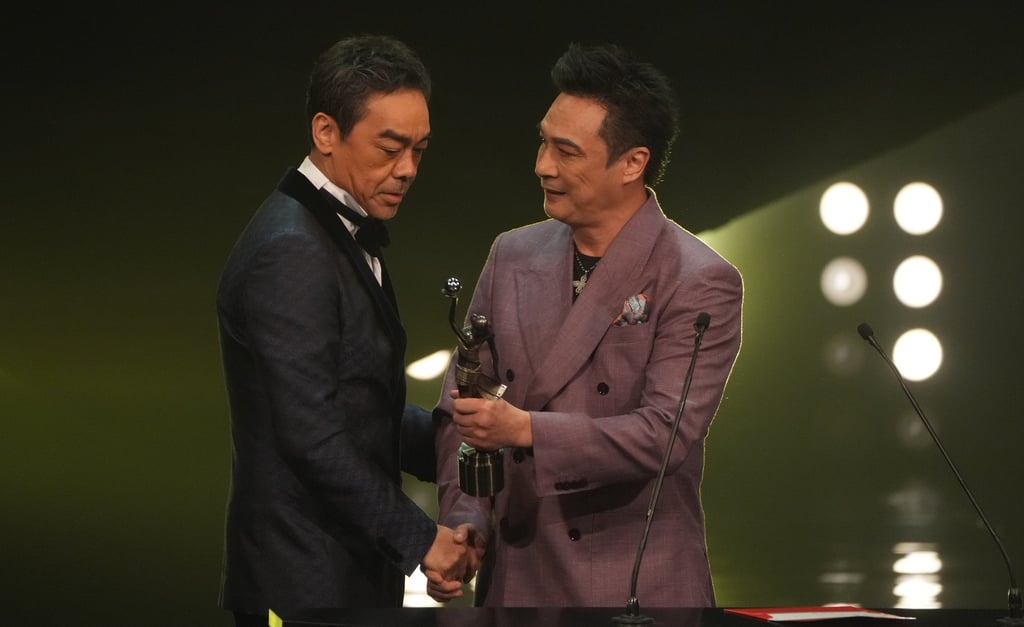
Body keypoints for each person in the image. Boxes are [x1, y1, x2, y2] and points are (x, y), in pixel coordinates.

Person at [426, 43, 743, 607]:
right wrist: (467, 517)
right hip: (519, 579)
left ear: (632, 162)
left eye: (566, 151)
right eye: (543, 141)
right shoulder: (511, 254)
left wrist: (525, 429)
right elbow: (462, 405)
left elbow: (662, 435)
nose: (542, 165)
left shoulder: (699, 280)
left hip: (633, 587)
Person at [216, 34, 475, 625]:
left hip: (338, 572)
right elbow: (312, 436)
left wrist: (465, 444)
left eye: (419, 149)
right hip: (301, 579)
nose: (407, 169)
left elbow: (361, 409)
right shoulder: (290, 249)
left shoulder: (326, 232)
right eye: (390, 148)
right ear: (326, 132)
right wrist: (422, 539)